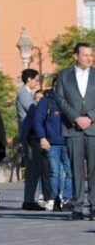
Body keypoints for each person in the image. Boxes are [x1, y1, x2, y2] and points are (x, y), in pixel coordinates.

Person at [55, 43, 95, 221]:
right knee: (76, 169)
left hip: (93, 128)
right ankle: (77, 207)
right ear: (76, 56)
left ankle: (94, 205)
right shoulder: (64, 76)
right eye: (85, 55)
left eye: (91, 55)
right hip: (73, 129)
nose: (89, 58)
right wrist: (76, 118)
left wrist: (90, 117)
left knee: (94, 169)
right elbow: (60, 99)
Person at [32, 84, 74, 212]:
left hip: (69, 142)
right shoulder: (46, 101)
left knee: (70, 172)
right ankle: (54, 199)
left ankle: (67, 199)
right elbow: (37, 121)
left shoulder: (71, 100)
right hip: (52, 144)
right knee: (54, 173)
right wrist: (42, 138)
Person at [17, 68, 46, 211]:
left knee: (34, 168)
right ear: (29, 79)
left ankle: (29, 199)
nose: (36, 82)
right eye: (35, 79)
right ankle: (28, 200)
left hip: (30, 134)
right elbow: (33, 110)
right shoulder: (24, 93)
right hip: (28, 135)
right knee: (32, 168)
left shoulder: (28, 93)